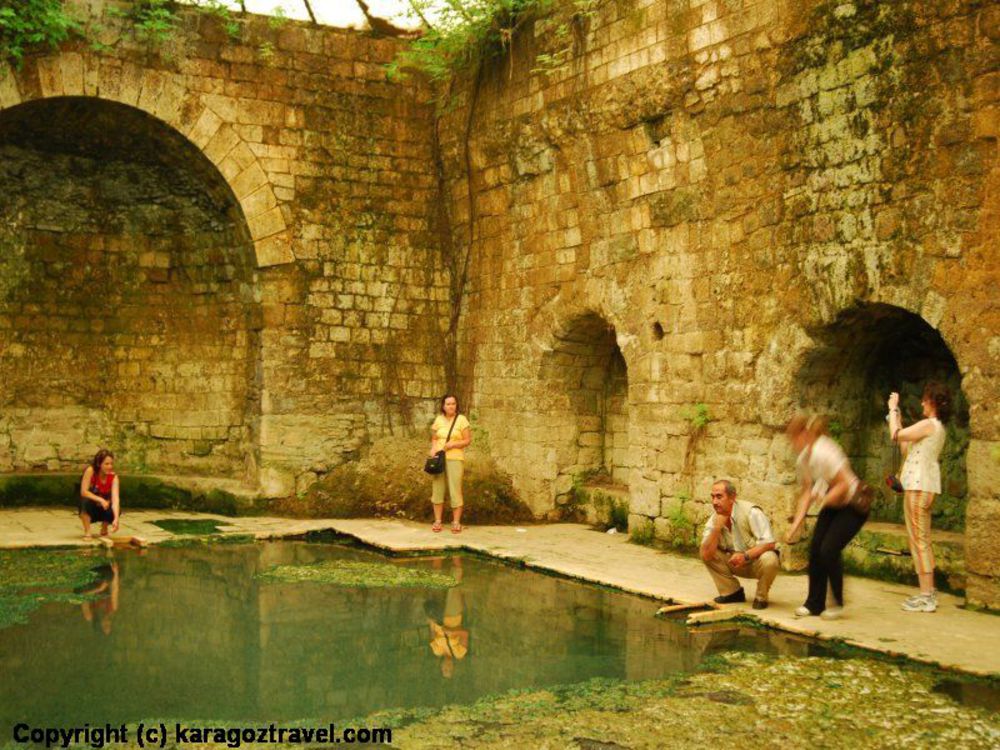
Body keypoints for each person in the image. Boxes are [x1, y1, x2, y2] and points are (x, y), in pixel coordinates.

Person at [785, 415, 871, 620]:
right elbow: (806, 491)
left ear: (805, 434)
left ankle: (837, 603)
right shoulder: (804, 459)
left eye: (794, 438)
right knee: (815, 549)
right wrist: (796, 525)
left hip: (852, 505)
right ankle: (814, 604)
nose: (792, 444)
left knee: (829, 549)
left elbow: (843, 484)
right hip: (832, 505)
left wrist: (823, 498)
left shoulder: (825, 450)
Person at [887, 383, 950, 613]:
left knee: (919, 540)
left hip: (918, 487)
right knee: (921, 538)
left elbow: (895, 436)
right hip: (924, 487)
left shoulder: (929, 424)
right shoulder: (936, 427)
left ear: (933, 402)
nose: (922, 402)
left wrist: (892, 409)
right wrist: (896, 418)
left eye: (925, 399)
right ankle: (928, 592)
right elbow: (906, 448)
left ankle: (926, 596)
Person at [699, 479, 779, 610]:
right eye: (712, 497)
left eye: (719, 497)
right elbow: (705, 555)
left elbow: (769, 543)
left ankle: (761, 596)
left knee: (770, 558)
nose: (714, 502)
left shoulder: (751, 512)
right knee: (707, 549)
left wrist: (745, 556)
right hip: (733, 562)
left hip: (755, 562)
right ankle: (732, 592)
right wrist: (717, 528)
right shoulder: (714, 518)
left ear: (732, 497)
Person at [428, 395, 471, 533]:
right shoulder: (439, 420)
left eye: (453, 403)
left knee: (455, 489)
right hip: (439, 458)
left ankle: (456, 522)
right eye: (448, 404)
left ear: (456, 405)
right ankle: (437, 521)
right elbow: (434, 438)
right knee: (437, 488)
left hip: (455, 458)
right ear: (443, 406)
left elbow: (467, 440)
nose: (451, 406)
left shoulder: (462, 420)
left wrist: (454, 444)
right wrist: (433, 449)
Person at [79, 449, 120, 540]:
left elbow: (115, 499)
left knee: (115, 508)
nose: (110, 466)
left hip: (104, 506)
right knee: (85, 501)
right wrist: (100, 500)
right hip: (92, 504)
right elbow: (84, 491)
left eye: (111, 464)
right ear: (99, 464)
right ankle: (87, 531)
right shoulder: (91, 471)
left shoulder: (114, 477)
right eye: (106, 464)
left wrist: (116, 519)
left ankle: (104, 528)